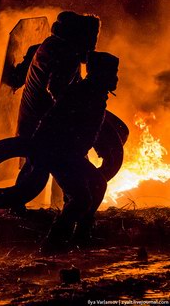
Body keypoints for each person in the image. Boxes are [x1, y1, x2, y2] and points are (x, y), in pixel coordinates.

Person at [11, 12, 101, 213]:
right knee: (68, 166)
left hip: (35, 119)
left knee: (37, 165)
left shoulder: (50, 44)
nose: (93, 46)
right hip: (46, 123)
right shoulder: (66, 54)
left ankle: (26, 208)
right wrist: (79, 112)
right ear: (81, 36)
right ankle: (66, 211)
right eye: (92, 39)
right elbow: (57, 90)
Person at [31, 52, 119, 254]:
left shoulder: (95, 94)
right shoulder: (82, 93)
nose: (115, 78)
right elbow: (52, 119)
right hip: (59, 152)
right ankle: (52, 245)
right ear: (101, 73)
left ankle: (82, 236)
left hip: (71, 153)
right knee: (81, 199)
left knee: (97, 184)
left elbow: (88, 128)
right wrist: (38, 150)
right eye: (113, 72)